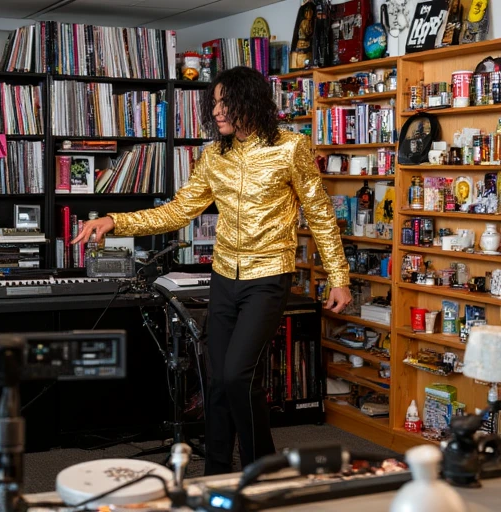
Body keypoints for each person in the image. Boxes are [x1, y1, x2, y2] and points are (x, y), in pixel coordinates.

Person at [72, 66, 351, 475]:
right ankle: (216, 474)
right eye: (214, 103)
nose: (217, 111)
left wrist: (339, 277)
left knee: (238, 375)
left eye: (225, 102)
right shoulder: (214, 156)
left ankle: (262, 470)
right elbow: (178, 211)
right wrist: (116, 221)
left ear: (249, 102)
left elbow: (320, 213)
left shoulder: (291, 147)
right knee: (217, 380)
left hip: (267, 277)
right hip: (224, 277)